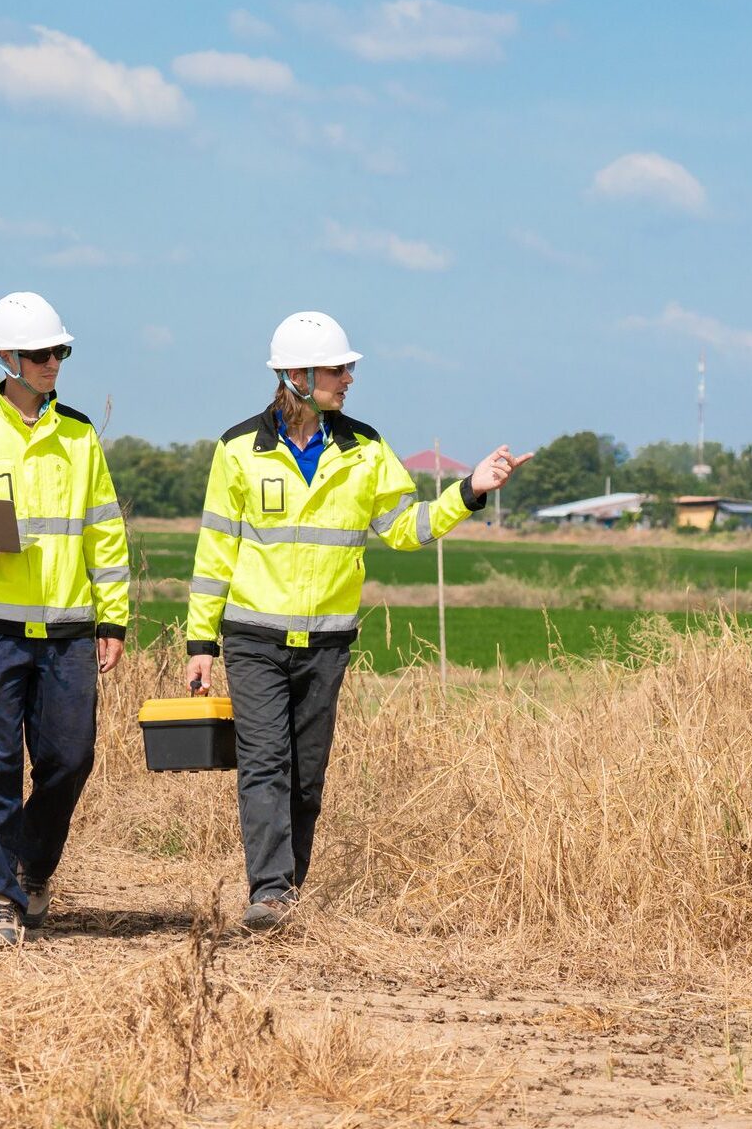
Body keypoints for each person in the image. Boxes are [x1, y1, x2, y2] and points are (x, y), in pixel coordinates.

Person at [184, 311, 531, 931]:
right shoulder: (238, 449)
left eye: (348, 368)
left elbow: (405, 527)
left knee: (307, 773)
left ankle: (287, 888)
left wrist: (469, 492)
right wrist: (200, 640)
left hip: (327, 642)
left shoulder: (366, 448)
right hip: (253, 637)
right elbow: (215, 552)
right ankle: (267, 891)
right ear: (296, 374)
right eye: (337, 368)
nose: (348, 378)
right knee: (264, 762)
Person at [0, 292, 130, 949]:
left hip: (67, 628)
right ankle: (0, 900)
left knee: (70, 759)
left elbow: (105, 530)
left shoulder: (79, 435)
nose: (54, 363)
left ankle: (32, 864)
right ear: (8, 359)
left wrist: (114, 620)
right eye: (42, 353)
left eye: (60, 351)